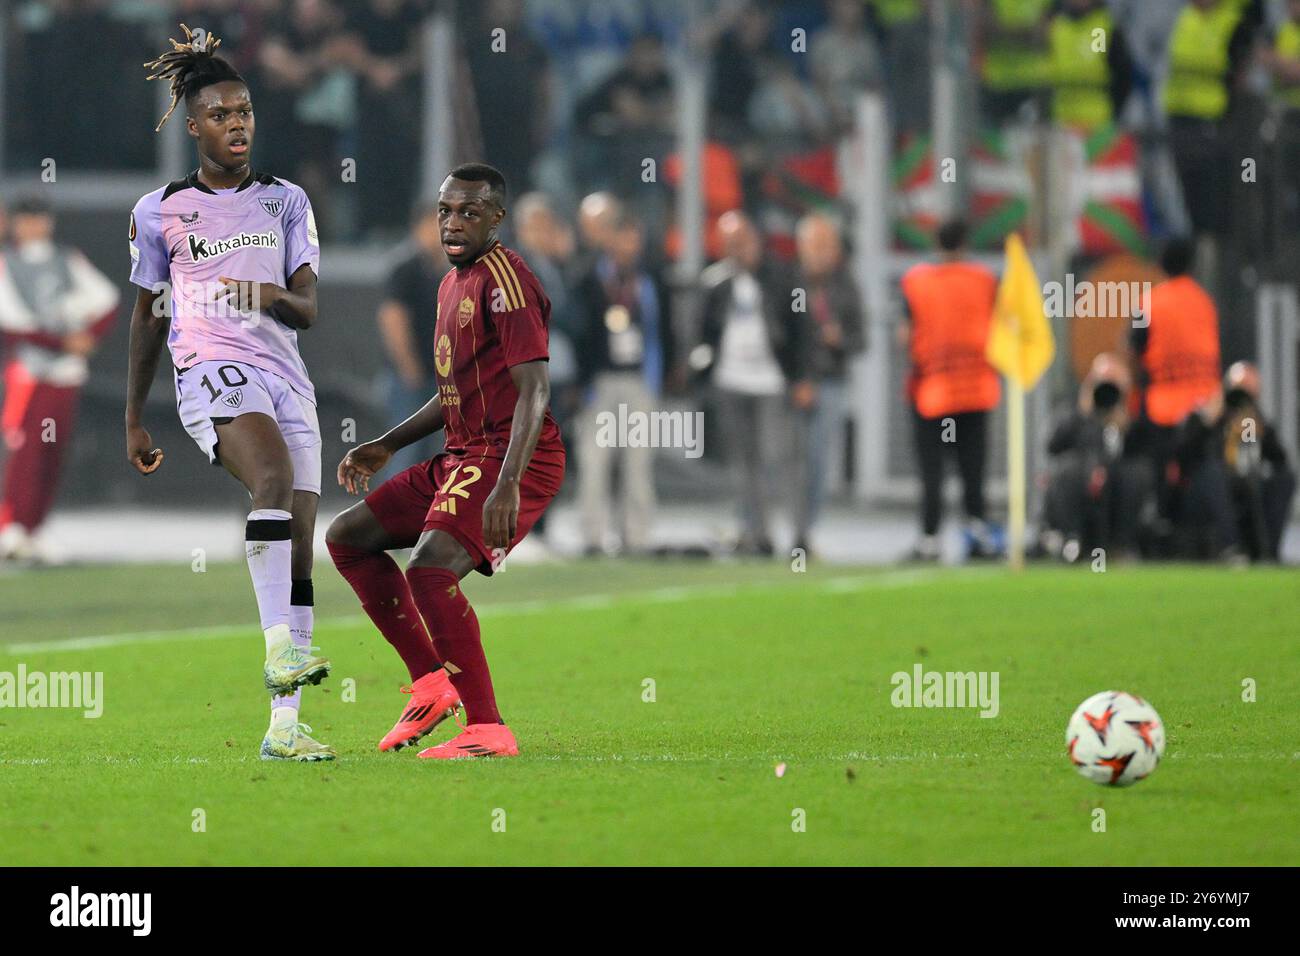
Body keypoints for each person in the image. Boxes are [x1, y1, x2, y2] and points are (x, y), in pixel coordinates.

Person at [124, 25, 334, 762]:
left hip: (286, 376)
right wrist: (133, 420)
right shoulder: (159, 211)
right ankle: (279, 646)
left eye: (244, 111)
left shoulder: (286, 202)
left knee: (300, 546)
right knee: (271, 479)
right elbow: (148, 314)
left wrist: (267, 291)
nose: (237, 123)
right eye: (221, 114)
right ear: (194, 126)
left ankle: (284, 727)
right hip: (210, 366)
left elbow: (308, 309)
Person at [327, 163, 565, 760]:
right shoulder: (450, 282)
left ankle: (488, 728)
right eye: (445, 212)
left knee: (429, 570)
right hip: (465, 452)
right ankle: (433, 684)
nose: (453, 224)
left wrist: (507, 484)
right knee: (349, 538)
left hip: (512, 456)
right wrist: (388, 442)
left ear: (497, 218)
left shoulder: (507, 282)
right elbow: (454, 390)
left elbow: (536, 389)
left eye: (469, 212)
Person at [0, 196, 119, 563]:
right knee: (25, 452)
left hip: (66, 373)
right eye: (27, 219)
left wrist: (87, 338)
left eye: (40, 219)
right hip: (30, 373)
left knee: (53, 452)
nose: (34, 226)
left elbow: (106, 298)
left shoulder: (67, 259)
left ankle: (35, 528)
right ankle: (12, 527)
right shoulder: (8, 264)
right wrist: (62, 341)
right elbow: (12, 322)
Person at [695, 210, 797, 556]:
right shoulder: (716, 282)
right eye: (730, 243)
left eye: (741, 241)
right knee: (743, 463)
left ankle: (783, 531)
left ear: (755, 240)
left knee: (772, 458)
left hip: (770, 381)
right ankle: (754, 532)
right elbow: (703, 332)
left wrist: (799, 375)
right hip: (730, 380)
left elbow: (799, 329)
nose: (736, 249)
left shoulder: (779, 278)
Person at [899, 219, 1001, 561]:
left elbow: (905, 334)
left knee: (933, 472)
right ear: (965, 243)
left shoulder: (917, 283)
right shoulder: (984, 280)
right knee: (973, 470)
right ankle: (976, 535)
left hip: (934, 393)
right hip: (975, 390)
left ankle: (929, 539)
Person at [574, 211, 673, 555]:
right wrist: (580, 382)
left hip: (638, 380)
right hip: (600, 381)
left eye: (635, 238)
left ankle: (637, 537)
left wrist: (663, 376)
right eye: (623, 237)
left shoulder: (652, 278)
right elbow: (580, 333)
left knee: (638, 464)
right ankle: (593, 537)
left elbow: (665, 329)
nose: (630, 245)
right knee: (595, 461)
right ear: (610, 240)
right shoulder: (589, 278)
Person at [1130, 238, 1222, 534]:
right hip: (1203, 404)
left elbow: (1136, 347)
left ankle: (1164, 524)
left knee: (1160, 470)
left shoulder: (1149, 302)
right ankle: (1206, 530)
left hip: (1164, 402)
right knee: (1202, 467)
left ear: (1161, 263)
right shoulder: (1204, 302)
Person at [789, 214, 865, 555]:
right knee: (783, 460)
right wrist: (797, 378)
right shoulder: (788, 283)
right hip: (790, 385)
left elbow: (861, 339)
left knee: (818, 462)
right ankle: (763, 527)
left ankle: (804, 533)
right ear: (802, 247)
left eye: (827, 245)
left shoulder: (846, 287)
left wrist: (841, 340)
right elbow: (779, 335)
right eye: (815, 245)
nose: (822, 253)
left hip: (831, 382)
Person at [1175, 362, 1295, 562]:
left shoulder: (1254, 421)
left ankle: (1269, 553)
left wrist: (1259, 435)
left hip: (1245, 486)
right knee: (1214, 473)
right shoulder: (1205, 415)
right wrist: (1208, 421)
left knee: (1283, 479)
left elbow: (1279, 460)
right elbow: (1183, 456)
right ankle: (1231, 547)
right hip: (1204, 489)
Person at [1039, 352, 1151, 562]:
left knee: (1137, 474)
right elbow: (1053, 445)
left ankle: (1121, 544)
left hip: (1116, 484)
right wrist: (1083, 414)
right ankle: (1073, 540)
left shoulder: (1131, 413)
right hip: (1080, 481)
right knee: (1067, 471)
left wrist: (1123, 425)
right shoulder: (1076, 410)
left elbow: (1145, 451)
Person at [376, 200, 450, 475]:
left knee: (437, 453)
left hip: (440, 377)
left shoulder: (447, 268)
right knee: (403, 452)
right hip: (409, 378)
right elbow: (392, 319)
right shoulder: (405, 267)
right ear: (418, 227)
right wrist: (408, 367)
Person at [1046, 0, 1135, 131]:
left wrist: (1115, 113)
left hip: (1097, 121)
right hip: (1062, 120)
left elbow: (1122, 75)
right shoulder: (1057, 27)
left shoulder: (1101, 29)